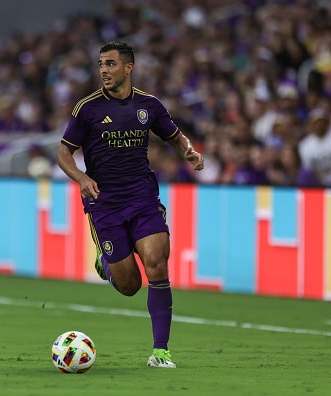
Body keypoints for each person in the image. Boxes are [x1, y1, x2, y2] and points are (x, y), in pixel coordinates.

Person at [56, 41, 204, 369]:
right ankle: (105, 263)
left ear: (128, 68)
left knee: (157, 264)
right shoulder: (88, 108)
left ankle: (161, 352)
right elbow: (63, 151)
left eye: (110, 64)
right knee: (129, 286)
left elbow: (175, 135)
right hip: (105, 204)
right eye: (100, 65)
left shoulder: (149, 106)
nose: (104, 71)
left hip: (142, 199)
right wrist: (81, 177)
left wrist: (188, 151)